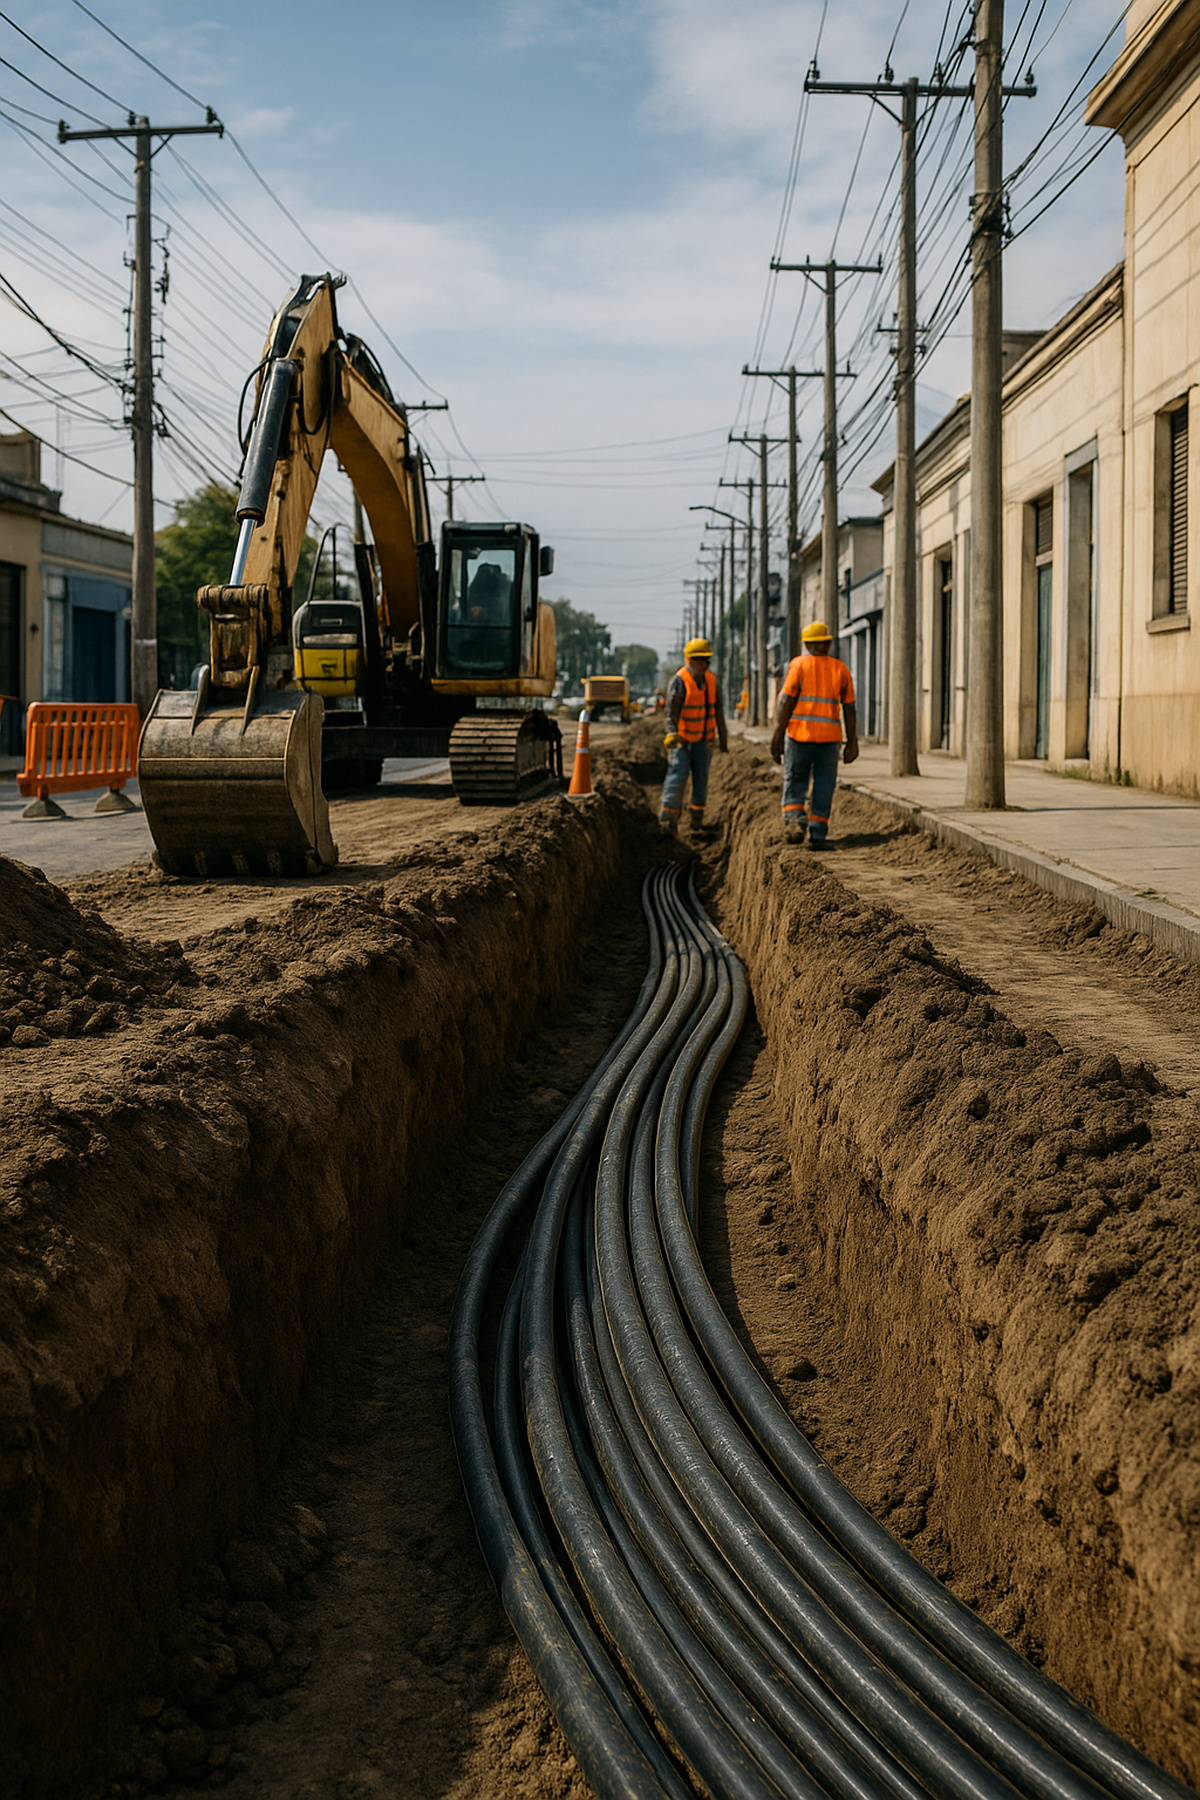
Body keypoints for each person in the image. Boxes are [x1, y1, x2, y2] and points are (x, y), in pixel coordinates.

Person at [769, 620, 858, 847]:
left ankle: (794, 821)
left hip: (800, 737)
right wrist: (853, 742)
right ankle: (817, 833)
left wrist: (778, 734)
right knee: (824, 784)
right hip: (830, 740)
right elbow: (849, 709)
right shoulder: (841, 669)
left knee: (796, 780)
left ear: (807, 644)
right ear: (827, 644)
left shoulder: (798, 666)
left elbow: (787, 701)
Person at [659, 637, 728, 834]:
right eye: (695, 660)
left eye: (703, 660)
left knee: (701, 780)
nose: (699, 664)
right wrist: (671, 733)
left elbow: (719, 712)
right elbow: (672, 711)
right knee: (677, 778)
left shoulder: (712, 681)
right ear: (688, 660)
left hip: (703, 741)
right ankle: (668, 823)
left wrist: (723, 739)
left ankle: (696, 822)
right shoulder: (679, 680)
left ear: (707, 661)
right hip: (682, 740)